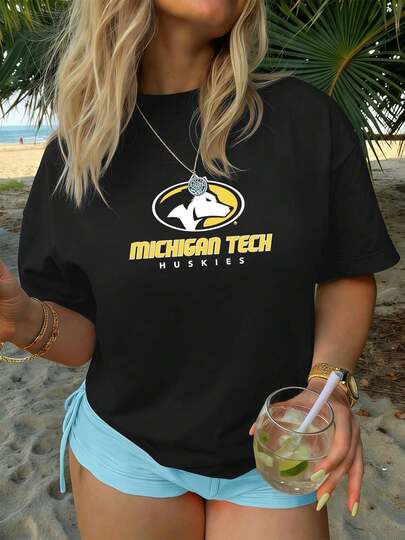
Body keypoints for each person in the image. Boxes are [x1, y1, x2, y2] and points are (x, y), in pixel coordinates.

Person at [0, 1, 400, 539]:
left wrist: (325, 387)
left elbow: (346, 270)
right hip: (128, 450)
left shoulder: (306, 119)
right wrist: (22, 321)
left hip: (276, 445)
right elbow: (81, 339)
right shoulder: (77, 157)